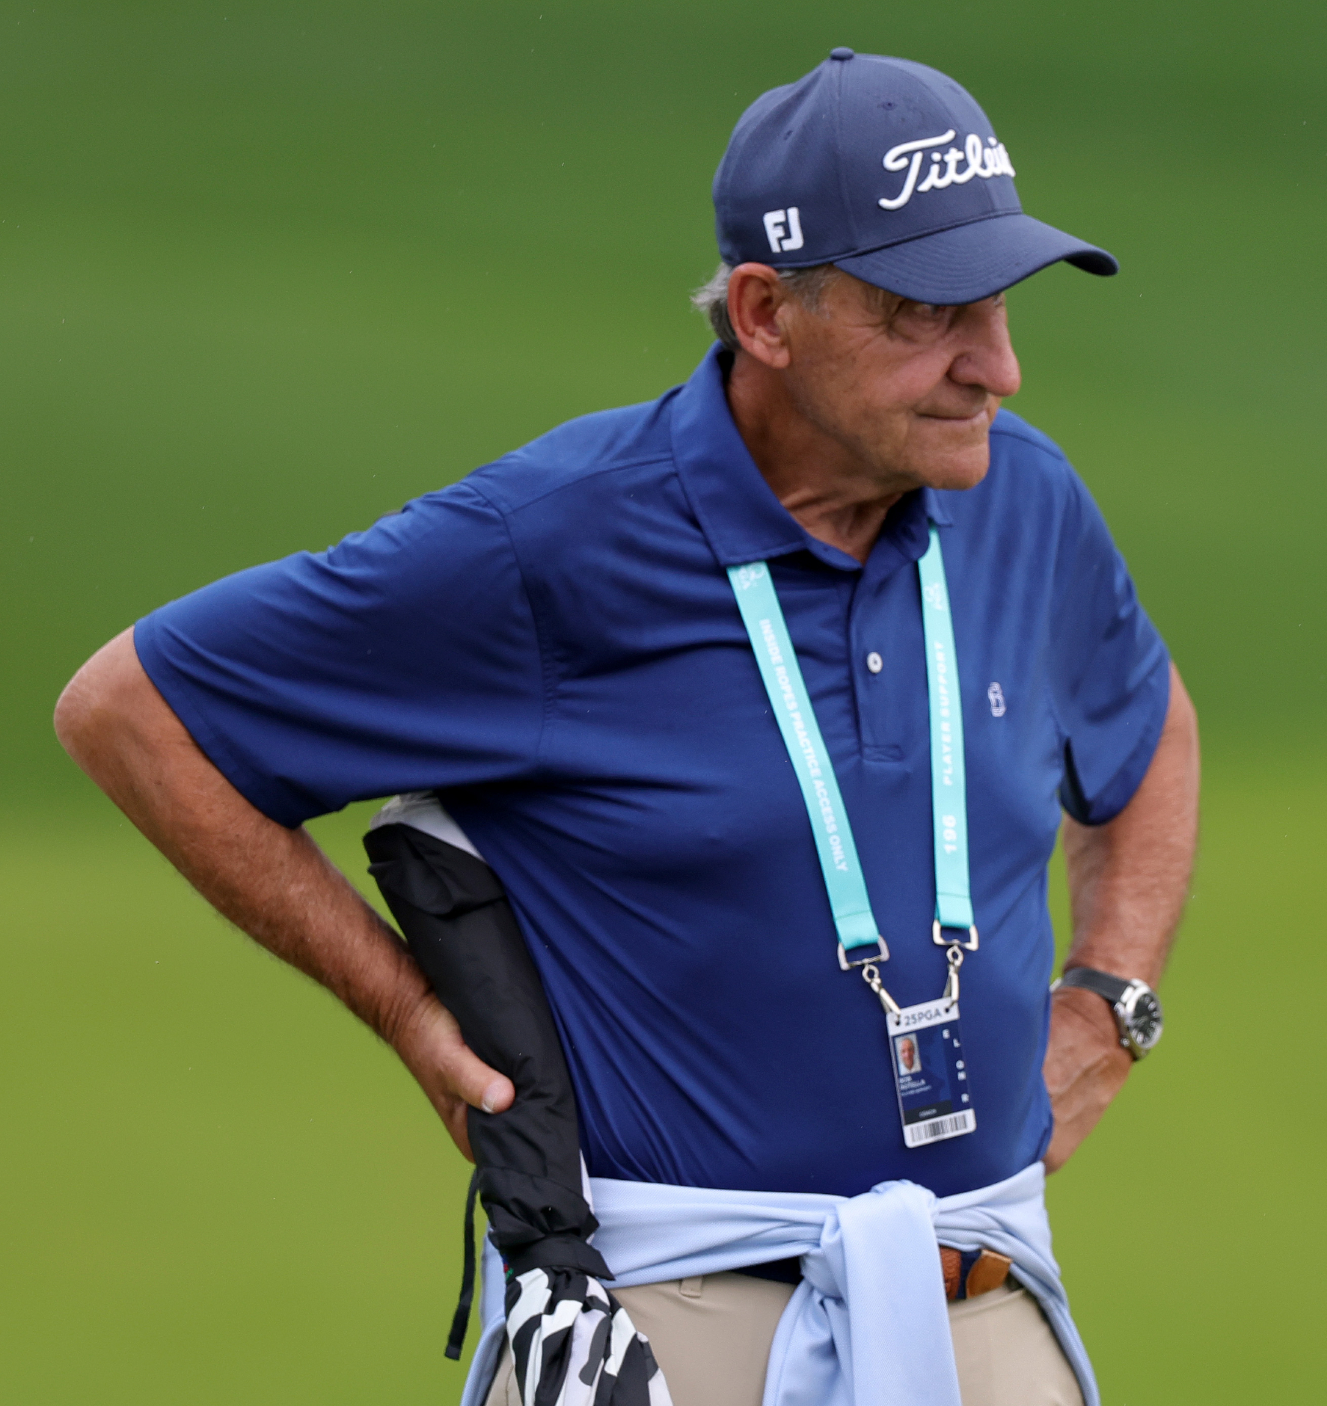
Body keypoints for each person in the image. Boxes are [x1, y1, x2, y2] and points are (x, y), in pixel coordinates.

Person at [53, 46, 1195, 1406]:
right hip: (671, 1326)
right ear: (768, 312)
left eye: (1002, 304)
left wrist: (1112, 996)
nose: (994, 367)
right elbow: (131, 712)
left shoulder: (1027, 503)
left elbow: (1150, 727)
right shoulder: (546, 544)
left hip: (988, 1308)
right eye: (930, 313)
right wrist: (411, 1015)